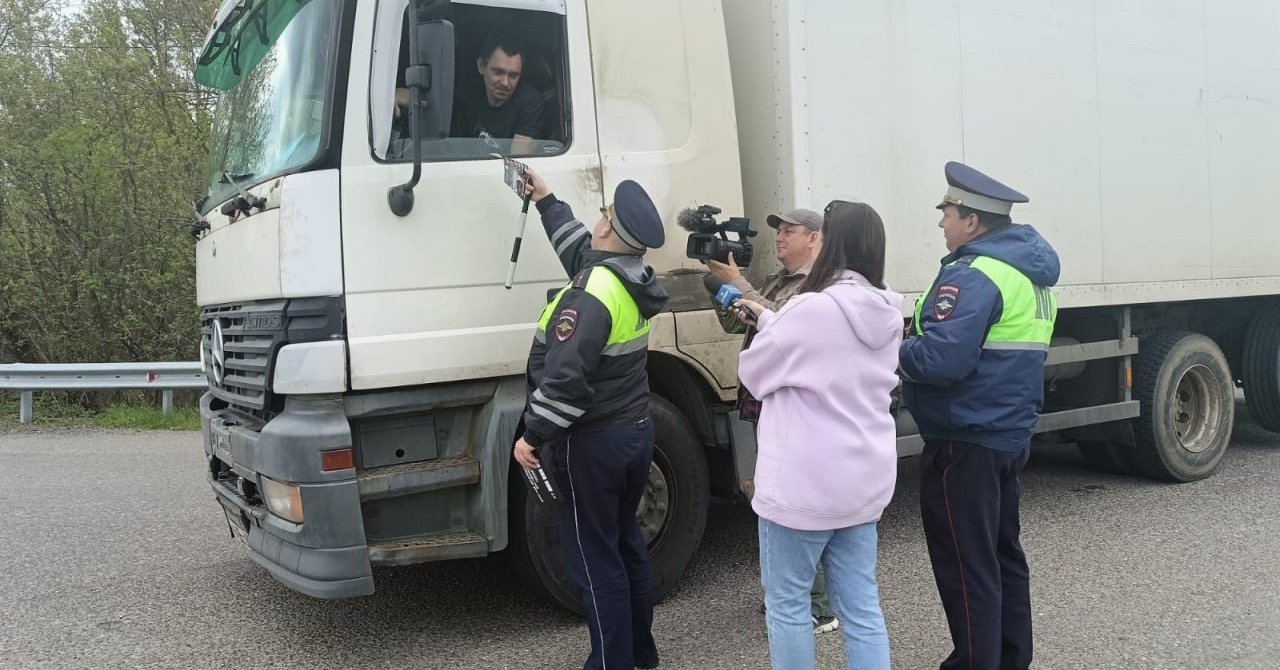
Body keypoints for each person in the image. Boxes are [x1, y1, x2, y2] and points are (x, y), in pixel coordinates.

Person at [899, 161, 1060, 670]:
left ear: (973, 221)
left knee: (967, 566)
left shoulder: (974, 273)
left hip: (964, 439)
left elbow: (941, 361)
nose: (941, 223)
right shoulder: (1027, 274)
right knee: (1002, 556)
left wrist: (897, 347)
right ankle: (1010, 658)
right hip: (1006, 434)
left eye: (947, 212)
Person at [511, 168, 668, 670]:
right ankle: (641, 655)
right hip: (633, 433)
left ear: (606, 229)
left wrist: (532, 436)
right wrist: (546, 199)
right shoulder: (630, 277)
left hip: (592, 445)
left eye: (601, 217)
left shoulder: (590, 294)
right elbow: (580, 251)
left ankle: (609, 664)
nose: (596, 223)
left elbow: (567, 381)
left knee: (595, 562)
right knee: (626, 547)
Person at [735, 200, 902, 670]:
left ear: (832, 244)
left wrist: (772, 326)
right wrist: (771, 319)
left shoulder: (810, 308)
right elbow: (832, 355)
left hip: (802, 484)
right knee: (861, 605)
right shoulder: (888, 309)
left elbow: (756, 373)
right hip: (863, 478)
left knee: (788, 606)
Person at [706, 208, 841, 634]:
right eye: (777, 231)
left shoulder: (819, 282)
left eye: (789, 231)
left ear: (815, 238)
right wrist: (721, 290)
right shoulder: (779, 280)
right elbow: (739, 323)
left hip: (797, 408)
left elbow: (784, 325)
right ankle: (793, 597)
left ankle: (817, 607)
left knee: (800, 504)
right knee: (776, 499)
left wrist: (739, 285)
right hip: (769, 403)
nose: (779, 238)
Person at [398, 35, 545, 153]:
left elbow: (519, 161)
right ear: (481, 66)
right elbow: (428, 100)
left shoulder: (531, 102)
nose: (505, 82)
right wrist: (399, 95)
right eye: (498, 72)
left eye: (513, 75)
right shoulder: (468, 89)